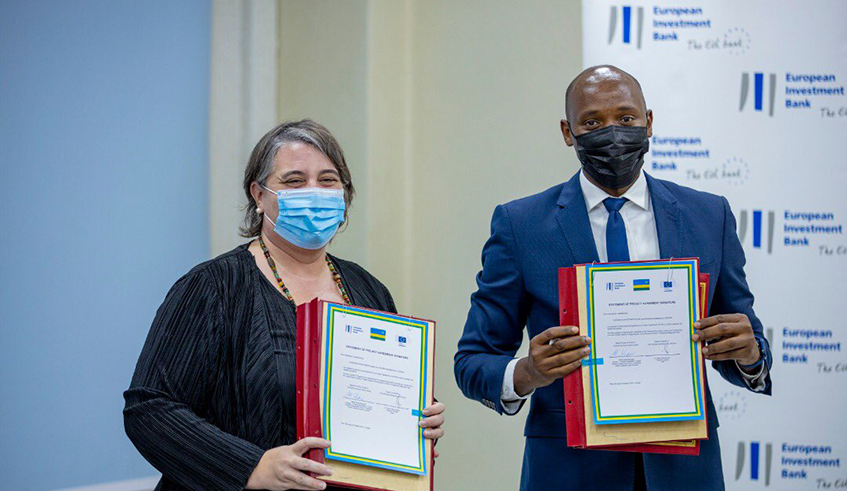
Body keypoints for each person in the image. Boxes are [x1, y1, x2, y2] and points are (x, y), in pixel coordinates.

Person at [454, 65, 771, 490]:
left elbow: (743, 341)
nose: (613, 133)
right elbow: (473, 360)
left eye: (625, 118)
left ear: (649, 122)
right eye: (592, 123)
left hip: (684, 471)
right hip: (569, 473)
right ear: (568, 132)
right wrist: (529, 371)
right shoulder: (521, 225)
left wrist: (749, 354)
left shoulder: (708, 215)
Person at [124, 120, 445, 491]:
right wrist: (252, 467)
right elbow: (149, 409)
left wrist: (417, 419)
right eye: (294, 181)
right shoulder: (213, 287)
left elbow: (377, 390)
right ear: (258, 195)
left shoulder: (368, 289)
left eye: (328, 180)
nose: (314, 191)